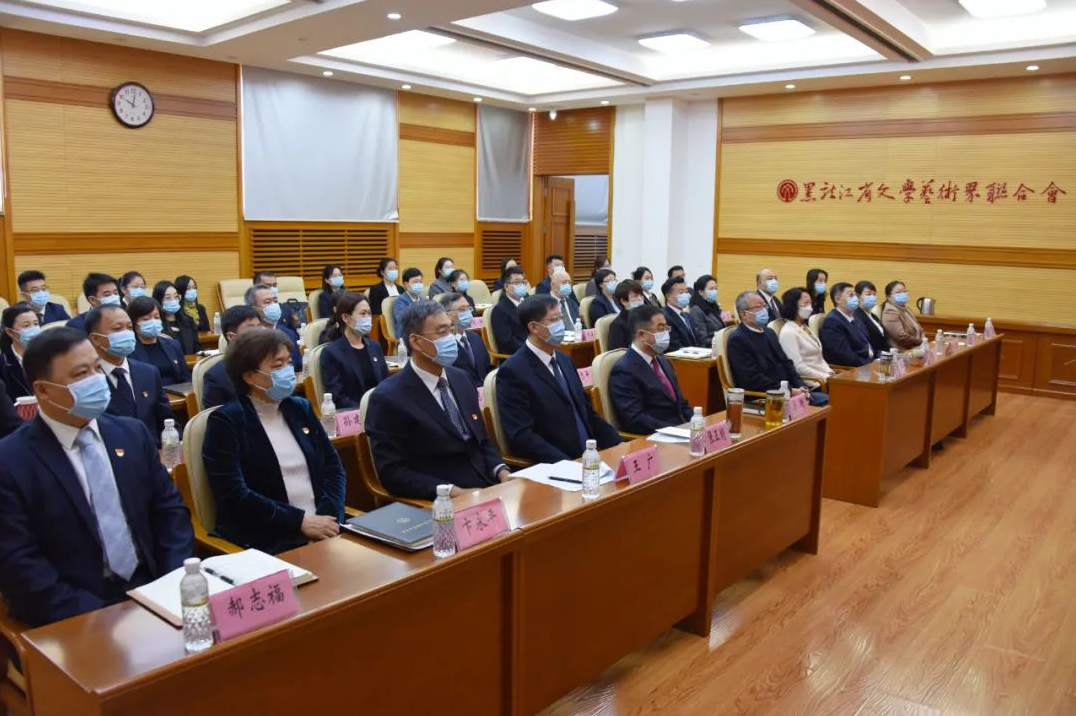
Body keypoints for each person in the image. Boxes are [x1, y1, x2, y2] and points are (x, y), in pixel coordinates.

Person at [0, 328, 192, 627]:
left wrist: (170, 585)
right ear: (43, 390)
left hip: (154, 588)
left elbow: (170, 512)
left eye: (96, 368)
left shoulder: (131, 433)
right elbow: (18, 562)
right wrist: (97, 617)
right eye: (81, 374)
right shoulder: (10, 460)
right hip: (75, 609)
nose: (96, 380)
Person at [202, 330, 345, 554]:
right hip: (269, 539)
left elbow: (333, 467)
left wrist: (327, 519)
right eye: (278, 366)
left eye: (289, 363)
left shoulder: (300, 408)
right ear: (249, 376)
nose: (288, 371)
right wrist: (300, 523)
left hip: (325, 528)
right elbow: (233, 493)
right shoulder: (227, 421)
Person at [365, 300, 509, 500]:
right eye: (442, 332)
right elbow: (392, 472)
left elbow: (482, 440)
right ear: (416, 341)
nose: (450, 338)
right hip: (440, 499)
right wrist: (452, 492)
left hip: (487, 487)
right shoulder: (388, 398)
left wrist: (502, 472)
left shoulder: (461, 378)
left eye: (450, 330)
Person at [496, 295, 621, 463]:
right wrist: (567, 464)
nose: (560, 325)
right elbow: (522, 436)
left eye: (561, 318)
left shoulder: (564, 360)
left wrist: (619, 444)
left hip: (587, 456)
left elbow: (586, 412)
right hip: (556, 463)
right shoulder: (513, 372)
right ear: (534, 327)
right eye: (554, 320)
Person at [86, 305, 173, 443]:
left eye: (129, 327)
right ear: (95, 338)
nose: (126, 333)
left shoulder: (148, 372)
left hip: (153, 450)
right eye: (117, 329)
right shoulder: (86, 381)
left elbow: (167, 421)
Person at [727, 291, 828, 406]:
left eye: (764, 305)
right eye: (758, 307)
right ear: (744, 314)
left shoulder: (769, 332)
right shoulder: (738, 340)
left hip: (789, 391)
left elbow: (787, 363)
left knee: (833, 400)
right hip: (765, 396)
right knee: (828, 402)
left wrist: (801, 386)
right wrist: (789, 391)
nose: (764, 310)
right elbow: (752, 379)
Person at [609, 305, 692, 435]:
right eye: (661, 329)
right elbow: (635, 419)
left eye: (666, 328)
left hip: (683, 430)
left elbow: (681, 403)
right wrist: (675, 430)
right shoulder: (624, 371)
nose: (666, 333)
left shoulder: (663, 361)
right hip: (658, 436)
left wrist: (695, 422)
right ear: (641, 334)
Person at [320, 292, 389, 410]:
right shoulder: (331, 353)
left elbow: (386, 384)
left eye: (369, 313)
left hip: (381, 410)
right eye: (362, 313)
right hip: (355, 413)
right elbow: (338, 398)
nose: (367, 318)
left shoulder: (375, 347)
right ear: (346, 318)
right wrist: (365, 411)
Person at [202, 306, 263, 409]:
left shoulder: (271, 363)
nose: (259, 334)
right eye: (251, 329)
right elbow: (218, 417)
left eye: (259, 327)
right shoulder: (216, 376)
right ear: (231, 337)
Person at [778, 288, 835, 389]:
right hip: (813, 383)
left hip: (825, 377)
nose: (810, 307)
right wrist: (825, 377)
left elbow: (818, 358)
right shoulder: (788, 332)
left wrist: (830, 373)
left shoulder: (803, 326)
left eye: (810, 303)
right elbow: (799, 367)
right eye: (806, 303)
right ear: (793, 305)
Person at [127, 296, 191, 384]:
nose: (153, 322)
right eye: (146, 319)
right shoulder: (128, 349)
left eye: (157, 317)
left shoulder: (173, 344)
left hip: (177, 391)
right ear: (133, 322)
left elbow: (186, 376)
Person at [435, 292, 491, 388]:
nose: (468, 313)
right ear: (447, 314)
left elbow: (487, 367)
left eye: (469, 308)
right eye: (462, 309)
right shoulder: (444, 344)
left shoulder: (475, 337)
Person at [246, 283, 302, 371]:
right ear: (254, 308)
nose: (274, 305)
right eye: (267, 302)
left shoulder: (289, 334)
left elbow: (298, 368)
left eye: (275, 301)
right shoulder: (248, 338)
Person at [821, 283, 875, 367]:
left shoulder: (855, 318)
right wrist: (870, 364)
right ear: (838, 299)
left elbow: (867, 344)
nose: (855, 298)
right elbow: (845, 356)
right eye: (851, 295)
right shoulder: (832, 322)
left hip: (870, 361)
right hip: (856, 367)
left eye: (855, 295)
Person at [1, 304, 42, 400]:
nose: (33, 329)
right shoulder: (3, 365)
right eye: (26, 326)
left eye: (36, 324)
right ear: (10, 332)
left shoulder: (51, 357)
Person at [153, 281, 202, 355]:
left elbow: (198, 348)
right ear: (158, 300)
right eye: (168, 298)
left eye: (176, 297)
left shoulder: (188, 321)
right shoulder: (156, 326)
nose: (173, 301)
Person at [491, 265, 530, 355]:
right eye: (517, 282)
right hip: (516, 355)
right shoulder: (499, 310)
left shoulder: (528, 303)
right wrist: (531, 350)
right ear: (506, 286)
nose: (521, 285)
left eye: (523, 282)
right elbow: (507, 342)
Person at [881, 280, 926, 349]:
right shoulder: (890, 311)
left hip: (916, 347)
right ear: (888, 297)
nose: (902, 294)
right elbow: (901, 336)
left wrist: (923, 338)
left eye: (904, 291)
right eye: (898, 292)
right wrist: (920, 341)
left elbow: (918, 327)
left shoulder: (906, 308)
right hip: (902, 350)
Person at [662, 276, 701, 351]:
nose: (685, 295)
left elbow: (697, 339)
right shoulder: (665, 317)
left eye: (686, 292)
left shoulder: (687, 315)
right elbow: (674, 346)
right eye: (681, 292)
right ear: (668, 296)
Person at [687, 274, 726, 346]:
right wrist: (722, 341)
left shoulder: (713, 306)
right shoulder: (696, 311)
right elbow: (703, 340)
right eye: (711, 289)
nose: (714, 291)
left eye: (716, 288)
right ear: (700, 292)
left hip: (719, 345)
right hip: (709, 348)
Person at [854, 280, 890, 355]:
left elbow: (882, 337)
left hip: (885, 354)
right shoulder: (856, 316)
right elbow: (866, 342)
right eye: (868, 294)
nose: (872, 297)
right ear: (858, 296)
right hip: (874, 356)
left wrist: (891, 349)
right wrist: (882, 353)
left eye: (874, 294)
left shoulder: (873, 316)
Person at [607, 280, 644, 350]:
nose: (640, 299)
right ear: (623, 301)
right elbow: (619, 353)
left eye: (641, 295)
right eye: (635, 296)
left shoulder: (647, 318)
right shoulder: (617, 325)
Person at [392, 268, 426, 339]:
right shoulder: (400, 301)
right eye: (415, 282)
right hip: (407, 337)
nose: (419, 284)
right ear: (406, 284)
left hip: (423, 334)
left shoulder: (424, 300)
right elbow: (404, 322)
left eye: (420, 281)